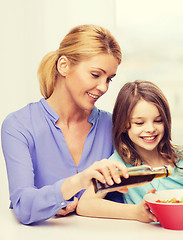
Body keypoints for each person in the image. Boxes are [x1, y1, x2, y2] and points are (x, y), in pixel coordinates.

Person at [1, 24, 129, 225]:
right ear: (64, 66)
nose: (104, 87)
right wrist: (76, 183)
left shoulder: (111, 125)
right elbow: (23, 206)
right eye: (96, 75)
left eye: (109, 79)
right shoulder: (18, 126)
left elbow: (124, 195)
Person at [77, 80, 183, 221]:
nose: (150, 129)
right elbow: (86, 204)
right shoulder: (119, 165)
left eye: (158, 120)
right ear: (123, 125)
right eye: (139, 123)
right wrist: (136, 212)